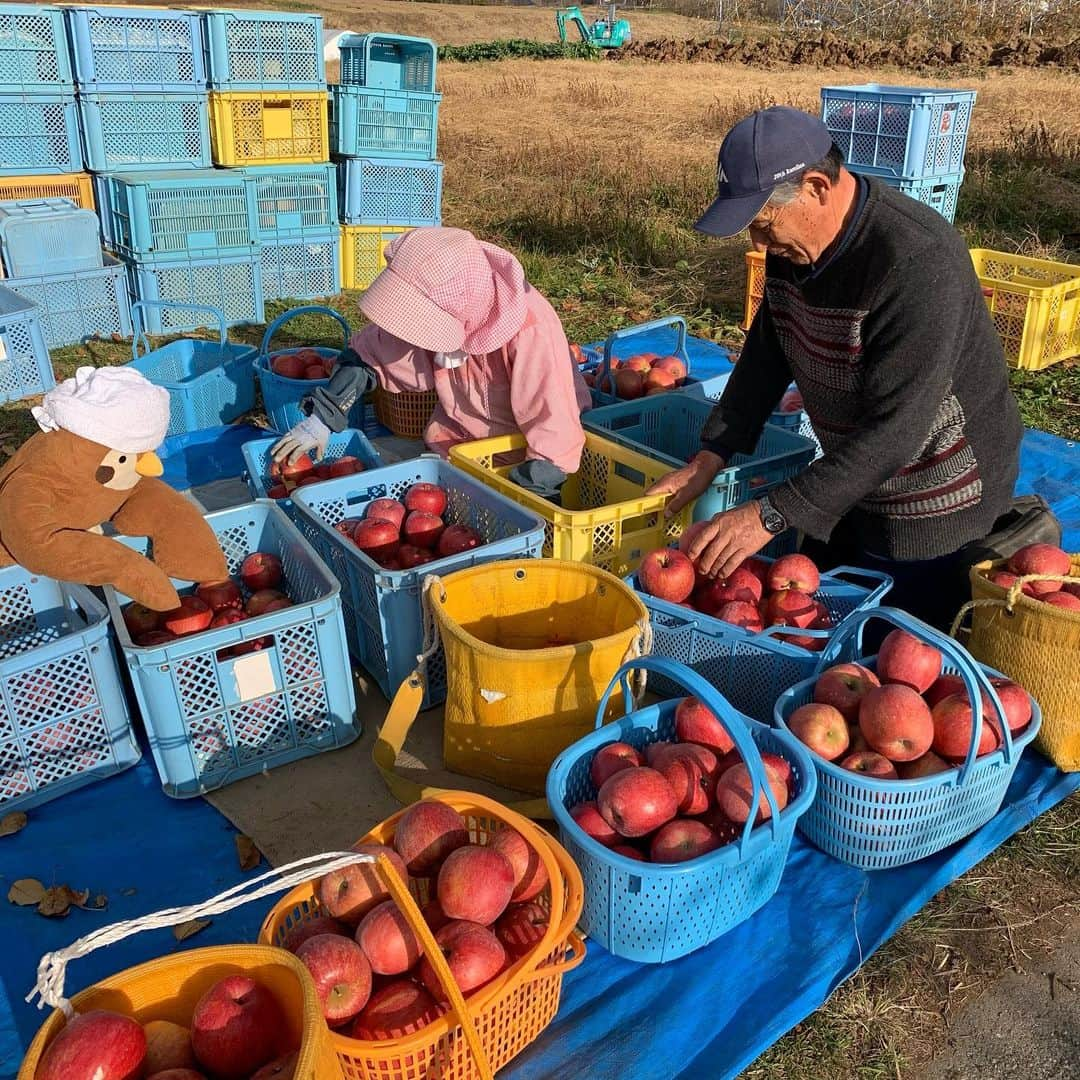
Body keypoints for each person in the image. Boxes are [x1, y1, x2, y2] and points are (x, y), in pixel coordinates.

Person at [649, 106, 1024, 631]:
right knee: (814, 621)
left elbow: (897, 434)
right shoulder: (798, 245)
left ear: (817, 187)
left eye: (762, 226)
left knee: (896, 643)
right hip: (856, 475)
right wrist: (709, 456)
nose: (759, 246)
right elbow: (768, 350)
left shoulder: (915, 262)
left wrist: (769, 514)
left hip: (936, 492)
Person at [272, 226, 592, 500]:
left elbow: (554, 428)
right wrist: (326, 415)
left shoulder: (532, 330)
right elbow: (372, 354)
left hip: (520, 459)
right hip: (456, 447)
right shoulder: (446, 301)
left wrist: (525, 494)